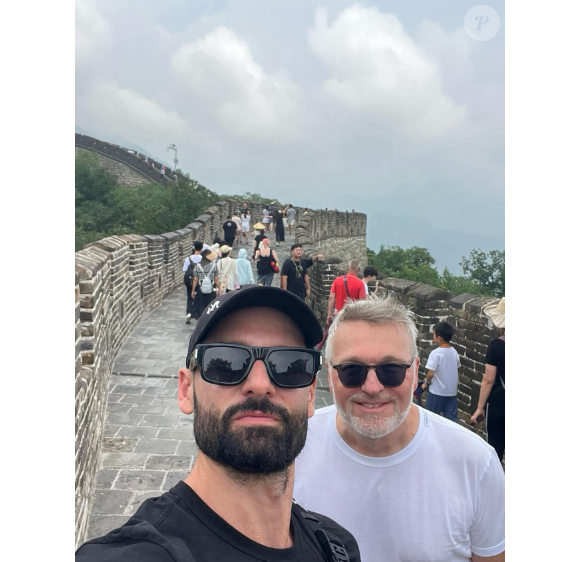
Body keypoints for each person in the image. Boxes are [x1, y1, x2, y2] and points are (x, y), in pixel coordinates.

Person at [76, 286, 362, 562]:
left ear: (310, 394)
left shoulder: (336, 546)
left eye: (290, 365)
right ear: (186, 390)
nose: (260, 385)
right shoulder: (140, 553)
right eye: (226, 363)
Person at [294, 297, 506, 562]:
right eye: (351, 370)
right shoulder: (291, 448)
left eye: (392, 370)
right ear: (329, 372)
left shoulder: (475, 462)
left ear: (415, 370)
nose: (372, 387)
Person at [471, 298, 506, 462]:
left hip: (500, 405)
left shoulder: (496, 346)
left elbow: (488, 379)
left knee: (495, 451)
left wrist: (480, 408)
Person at [423, 322, 462, 423]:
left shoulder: (435, 354)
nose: (433, 337)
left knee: (430, 418)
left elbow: (430, 373)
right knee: (451, 421)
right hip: (451, 393)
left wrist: (426, 383)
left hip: (437, 392)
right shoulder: (454, 352)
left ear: (439, 338)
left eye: (434, 334)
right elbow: (455, 369)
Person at [327, 260, 367, 327]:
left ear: (348, 267)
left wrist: (330, 314)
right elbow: (362, 302)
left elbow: (331, 298)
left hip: (338, 314)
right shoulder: (360, 283)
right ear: (359, 269)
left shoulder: (337, 280)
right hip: (353, 316)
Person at [190, 249, 220, 320]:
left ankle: (201, 318)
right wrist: (219, 288)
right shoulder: (214, 266)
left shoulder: (198, 266)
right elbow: (216, 279)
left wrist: (193, 290)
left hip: (200, 289)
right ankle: (208, 318)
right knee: (210, 304)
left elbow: (195, 279)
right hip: (211, 288)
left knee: (201, 304)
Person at [183, 241, 204, 325]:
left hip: (189, 280)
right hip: (199, 280)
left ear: (194, 248)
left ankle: (189, 313)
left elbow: (185, 270)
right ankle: (197, 314)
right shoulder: (203, 259)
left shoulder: (188, 259)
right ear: (202, 248)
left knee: (189, 296)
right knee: (198, 297)